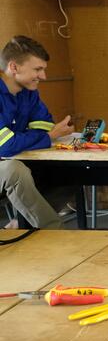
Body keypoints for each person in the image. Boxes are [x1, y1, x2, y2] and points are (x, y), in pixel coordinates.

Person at [0, 36, 73, 229]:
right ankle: (55, 231)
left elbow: (44, 126)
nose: (43, 76)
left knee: (71, 171)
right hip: (8, 163)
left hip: (17, 157)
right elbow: (5, 146)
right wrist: (47, 138)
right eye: (37, 69)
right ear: (14, 67)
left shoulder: (29, 92)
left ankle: (22, 225)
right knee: (14, 170)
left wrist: (42, 136)